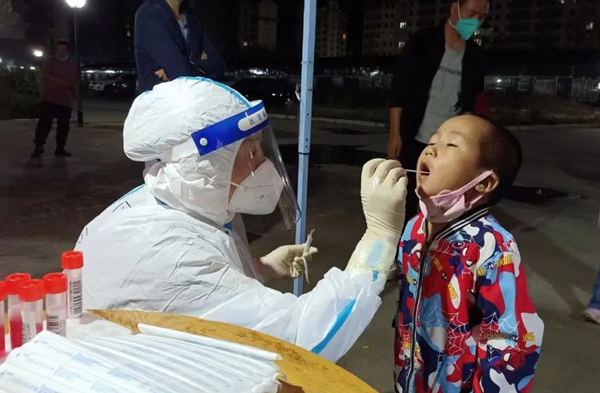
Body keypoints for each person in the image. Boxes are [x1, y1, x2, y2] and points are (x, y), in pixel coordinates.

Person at [74, 77, 409, 363]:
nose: (263, 162)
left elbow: (207, 298)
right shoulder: (166, 252)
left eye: (262, 147)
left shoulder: (177, 201)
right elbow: (301, 338)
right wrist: (379, 237)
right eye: (250, 150)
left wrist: (260, 268)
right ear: (203, 162)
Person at [392, 115, 544, 393]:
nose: (431, 149)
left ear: (484, 183)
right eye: (432, 140)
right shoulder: (416, 226)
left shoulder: (493, 247)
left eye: (451, 144)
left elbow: (512, 333)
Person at [388, 0, 489, 217]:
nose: (476, 21)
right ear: (455, 9)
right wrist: (395, 134)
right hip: (413, 138)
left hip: (447, 147)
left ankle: (431, 237)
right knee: (404, 200)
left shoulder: (475, 56)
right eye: (472, 14)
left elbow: (473, 102)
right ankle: (404, 239)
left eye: (481, 17)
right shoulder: (423, 43)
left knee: (440, 204)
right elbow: (399, 90)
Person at [134, 0, 226, 93]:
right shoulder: (151, 13)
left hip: (194, 98)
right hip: (162, 100)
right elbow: (180, 71)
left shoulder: (191, 17)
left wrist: (191, 67)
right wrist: (201, 64)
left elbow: (218, 66)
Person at [31, 40, 79, 159]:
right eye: (58, 50)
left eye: (63, 50)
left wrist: (75, 97)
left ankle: (60, 148)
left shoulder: (71, 64)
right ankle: (39, 146)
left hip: (65, 100)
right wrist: (61, 82)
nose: (60, 53)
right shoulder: (50, 61)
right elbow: (45, 75)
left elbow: (74, 81)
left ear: (67, 51)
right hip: (50, 98)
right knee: (44, 124)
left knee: (63, 126)